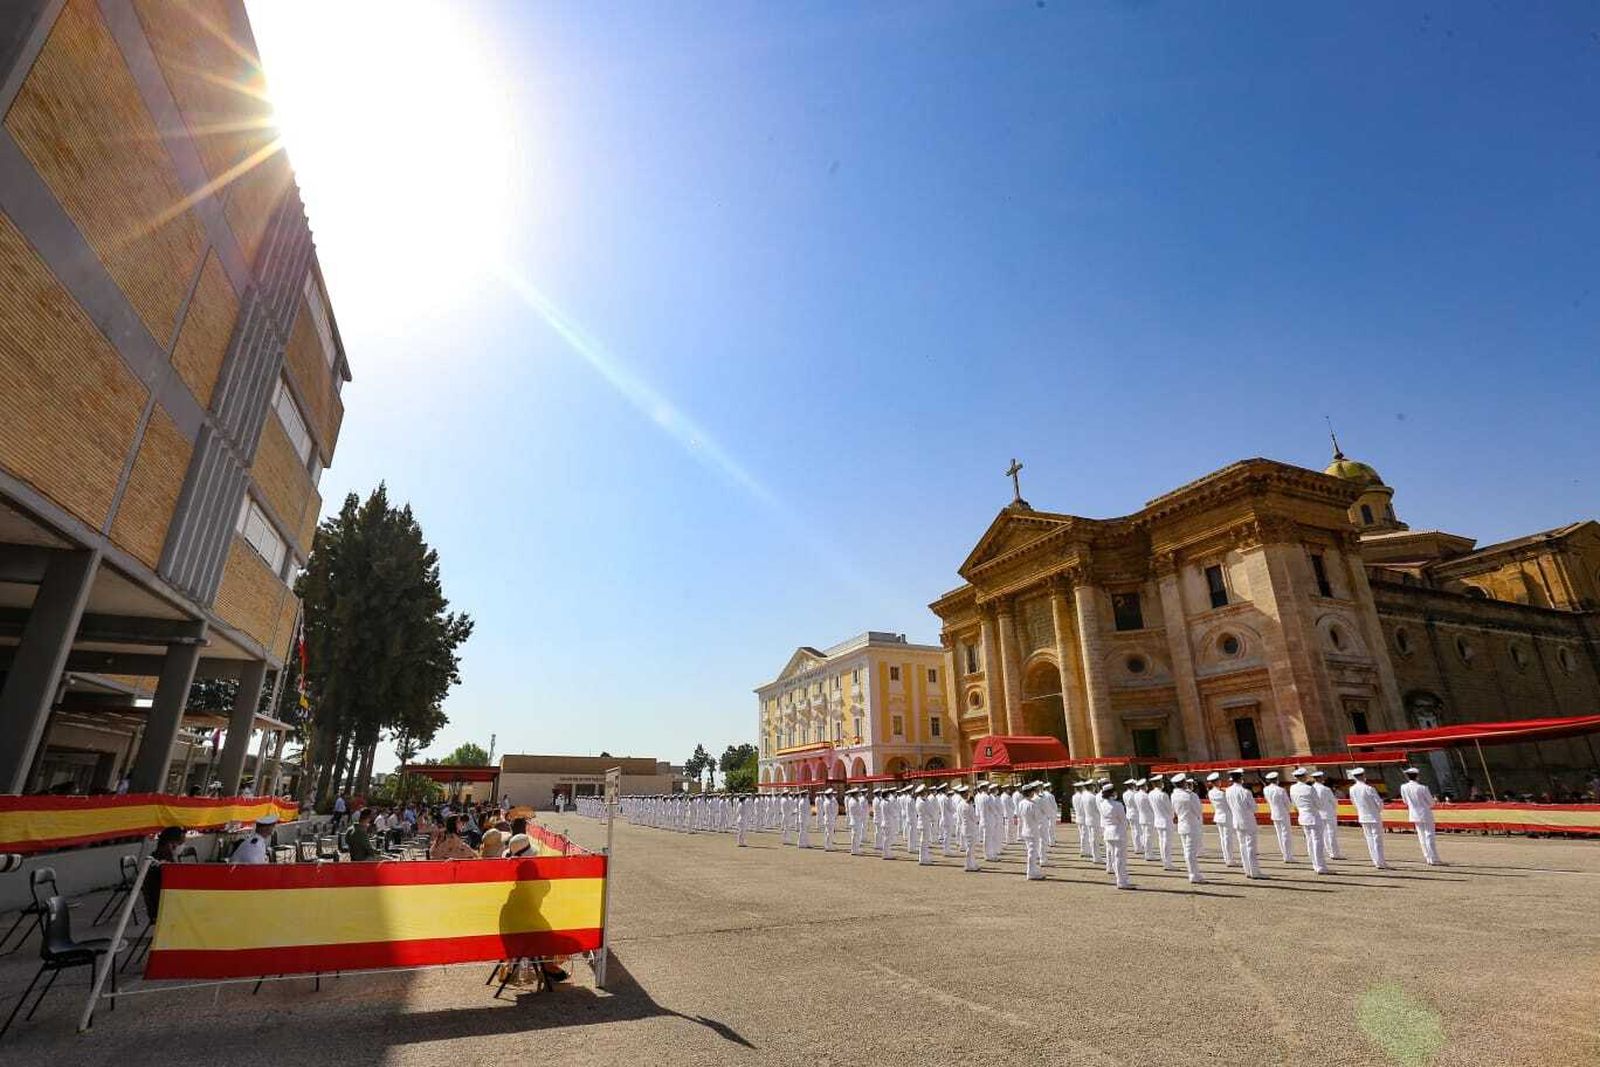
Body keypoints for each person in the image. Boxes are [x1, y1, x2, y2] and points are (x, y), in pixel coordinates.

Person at [1400, 767, 1444, 865]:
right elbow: (1431, 803)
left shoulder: (1403, 787)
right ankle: (1434, 858)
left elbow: (1405, 801)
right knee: (1429, 836)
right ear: (1417, 776)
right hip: (1425, 813)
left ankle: (1428, 857)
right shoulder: (1423, 788)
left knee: (1421, 836)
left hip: (1414, 814)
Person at [1289, 768, 1329, 874]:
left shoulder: (1292, 788)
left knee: (1309, 841)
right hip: (1313, 816)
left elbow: (1294, 803)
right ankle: (1320, 866)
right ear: (1303, 776)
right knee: (1317, 842)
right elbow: (1318, 804)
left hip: (1302, 816)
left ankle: (1314, 864)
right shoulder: (1309, 788)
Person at [141, 826, 186, 921]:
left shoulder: (161, 856)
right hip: (161, 909)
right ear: (171, 843)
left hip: (164, 905)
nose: (182, 846)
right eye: (181, 843)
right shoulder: (161, 862)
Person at [1225, 770, 1264, 879]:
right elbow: (1254, 808)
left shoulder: (1228, 791)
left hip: (1237, 821)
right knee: (1251, 847)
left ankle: (1247, 870)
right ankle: (1255, 872)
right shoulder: (1245, 792)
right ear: (1241, 778)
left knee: (1242, 846)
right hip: (1248, 821)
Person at [1348, 768, 1389, 869]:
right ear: (1363, 776)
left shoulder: (1352, 789)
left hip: (1363, 816)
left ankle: (1375, 861)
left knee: (1369, 840)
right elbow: (1379, 804)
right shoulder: (1369, 788)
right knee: (1377, 840)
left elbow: (1354, 803)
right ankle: (1380, 862)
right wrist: (1377, 811)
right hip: (1373, 816)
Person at [1171, 775, 1206, 884]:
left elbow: (1174, 811)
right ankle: (1193, 875)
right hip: (1191, 826)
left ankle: (1195, 873)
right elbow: (1198, 811)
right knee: (1190, 852)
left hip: (1182, 825)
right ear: (1183, 783)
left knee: (1188, 851)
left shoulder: (1173, 795)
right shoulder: (1191, 795)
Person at [1097, 783, 1132, 889]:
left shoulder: (1102, 804)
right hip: (1117, 832)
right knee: (1120, 858)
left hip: (1108, 832)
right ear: (1112, 792)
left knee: (1114, 857)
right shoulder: (1117, 805)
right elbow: (1123, 820)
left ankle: (1121, 879)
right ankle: (1121, 881)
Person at [1262, 771, 1295, 862]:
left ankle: (1284, 853)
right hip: (1283, 814)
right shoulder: (1281, 790)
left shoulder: (1265, 789)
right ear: (1276, 780)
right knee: (1286, 835)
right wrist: (1288, 810)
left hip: (1274, 814)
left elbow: (1268, 801)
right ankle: (1288, 856)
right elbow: (1287, 804)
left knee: (1280, 835)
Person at [1311, 771, 1344, 860]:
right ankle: (1335, 853)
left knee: (1324, 834)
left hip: (1318, 814)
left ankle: (1329, 851)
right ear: (1320, 778)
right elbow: (1334, 802)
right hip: (1328, 813)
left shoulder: (1311, 788)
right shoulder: (1326, 789)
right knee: (1331, 833)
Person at [1206, 772, 1234, 866]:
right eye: (1219, 780)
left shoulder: (1210, 793)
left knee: (1223, 839)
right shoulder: (1223, 793)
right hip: (1226, 817)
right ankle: (1230, 860)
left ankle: (1227, 858)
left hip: (1218, 817)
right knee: (1227, 839)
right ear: (1217, 782)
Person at [1147, 775, 1174, 870]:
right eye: (1161, 782)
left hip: (1158, 820)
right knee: (1166, 843)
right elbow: (1170, 810)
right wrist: (1172, 817)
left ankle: (1165, 861)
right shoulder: (1163, 795)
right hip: (1166, 820)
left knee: (1161, 842)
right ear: (1158, 783)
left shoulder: (1150, 794)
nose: (1162, 783)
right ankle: (1168, 863)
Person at [1017, 783, 1044, 880]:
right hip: (1033, 830)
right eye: (1033, 791)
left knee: (1031, 851)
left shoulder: (1021, 803)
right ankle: (1031, 872)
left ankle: (1034, 870)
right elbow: (1039, 818)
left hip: (1025, 829)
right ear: (1030, 792)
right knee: (1032, 853)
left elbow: (1019, 815)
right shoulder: (1032, 804)